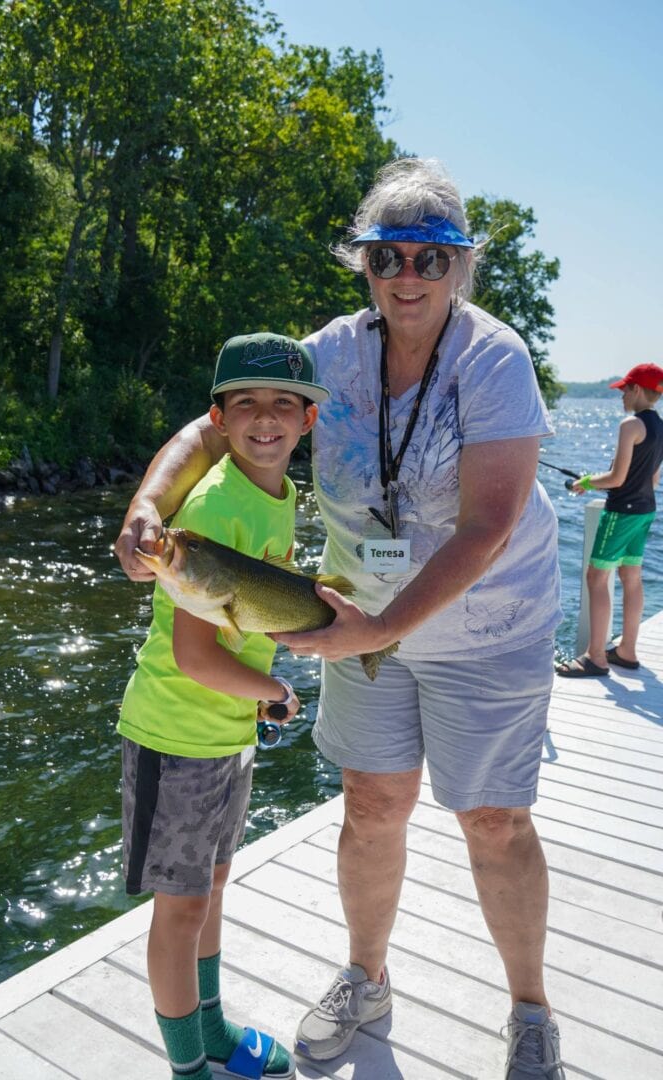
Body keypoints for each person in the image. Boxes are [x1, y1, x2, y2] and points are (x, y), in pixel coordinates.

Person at [115, 158, 565, 1080]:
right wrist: (148, 506)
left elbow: (487, 526)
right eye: (387, 255)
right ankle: (367, 976)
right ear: (363, 264)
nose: (407, 275)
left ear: (461, 268)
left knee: (491, 819)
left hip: (485, 627)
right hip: (355, 619)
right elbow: (216, 425)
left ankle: (530, 1006)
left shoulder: (495, 360)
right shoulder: (330, 350)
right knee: (372, 804)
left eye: (430, 260)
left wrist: (378, 627)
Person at [117, 332, 329, 1080]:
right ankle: (188, 1069)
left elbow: (248, 619)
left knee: (210, 889)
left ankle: (209, 1027)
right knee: (177, 911)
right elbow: (195, 655)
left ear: (308, 421)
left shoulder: (279, 495)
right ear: (218, 417)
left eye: (283, 405)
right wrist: (276, 690)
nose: (264, 419)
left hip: (228, 733)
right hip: (175, 735)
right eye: (246, 405)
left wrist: (264, 693)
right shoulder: (209, 506)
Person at [556, 362, 663, 677]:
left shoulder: (630, 425)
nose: (621, 397)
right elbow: (652, 480)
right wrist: (596, 481)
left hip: (620, 513)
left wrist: (586, 483)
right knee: (632, 578)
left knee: (596, 578)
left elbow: (616, 478)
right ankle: (627, 651)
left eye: (624, 390)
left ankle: (596, 657)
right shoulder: (660, 427)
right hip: (645, 511)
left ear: (637, 390)